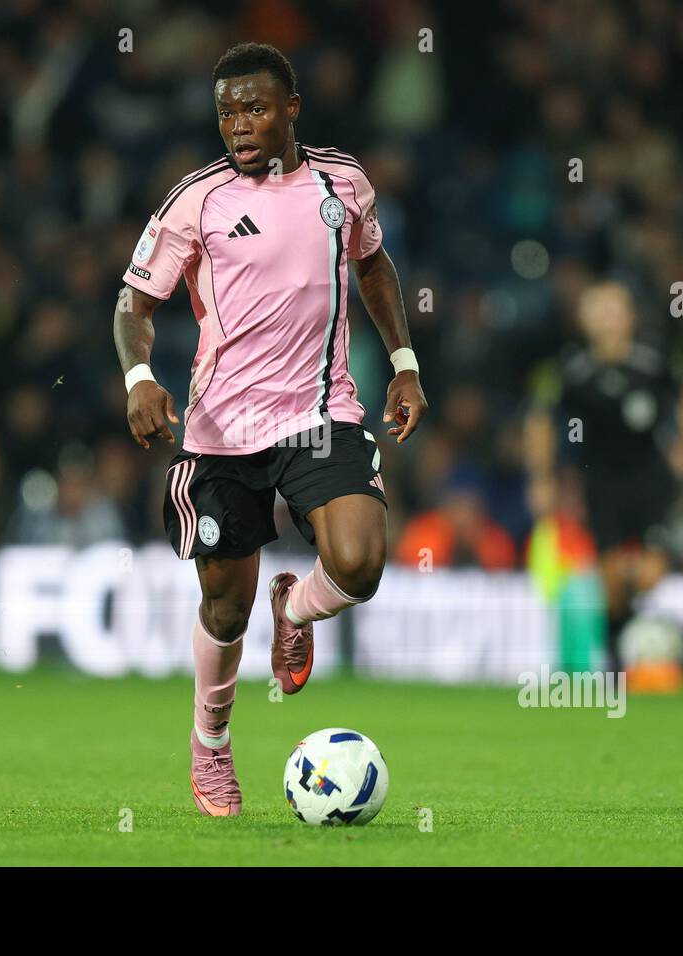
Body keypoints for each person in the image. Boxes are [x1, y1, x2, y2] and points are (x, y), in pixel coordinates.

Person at [112, 42, 428, 816]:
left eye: (254, 109)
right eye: (226, 113)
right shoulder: (197, 199)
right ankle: (211, 748)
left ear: (291, 109)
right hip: (222, 429)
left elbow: (374, 265)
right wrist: (139, 377)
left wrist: (406, 360)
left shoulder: (342, 182)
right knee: (225, 607)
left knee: (358, 563)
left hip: (321, 410)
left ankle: (297, 610)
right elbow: (132, 305)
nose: (239, 126)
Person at [525, 281, 683, 671]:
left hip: (651, 478)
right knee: (609, 580)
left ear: (630, 317)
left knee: (647, 574)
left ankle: (644, 643)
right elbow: (540, 417)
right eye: (599, 311)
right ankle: (618, 662)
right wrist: (542, 476)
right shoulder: (571, 368)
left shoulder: (653, 357)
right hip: (600, 483)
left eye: (615, 310)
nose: (608, 320)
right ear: (584, 320)